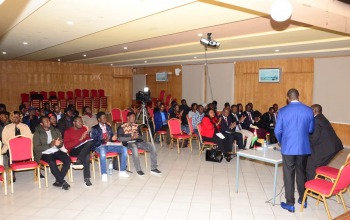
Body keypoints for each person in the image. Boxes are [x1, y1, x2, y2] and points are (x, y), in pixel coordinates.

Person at [275, 88, 315, 212]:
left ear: (288, 98)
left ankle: (290, 203)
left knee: (288, 174)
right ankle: (303, 200)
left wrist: (282, 142)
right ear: (298, 96)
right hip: (303, 147)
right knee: (302, 173)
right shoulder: (309, 110)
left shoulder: (282, 111)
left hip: (288, 148)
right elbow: (311, 130)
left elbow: (277, 131)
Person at [306, 104, 343, 181]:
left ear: (313, 111)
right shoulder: (321, 117)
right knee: (319, 166)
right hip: (333, 146)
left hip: (327, 147)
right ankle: (320, 184)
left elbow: (314, 138)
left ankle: (314, 190)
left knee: (311, 165)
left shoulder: (316, 120)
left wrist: (305, 147)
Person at [117, 112, 161, 176]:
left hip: (138, 142)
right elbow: (119, 139)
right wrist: (131, 137)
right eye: (132, 117)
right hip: (129, 143)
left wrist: (137, 136)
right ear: (128, 117)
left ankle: (154, 168)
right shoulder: (122, 127)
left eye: (134, 117)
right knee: (134, 148)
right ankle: (138, 169)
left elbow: (140, 136)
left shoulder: (136, 126)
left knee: (152, 146)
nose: (134, 118)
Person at [33, 116, 71, 190]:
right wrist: (50, 145)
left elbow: (60, 144)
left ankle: (58, 181)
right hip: (45, 152)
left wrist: (59, 143)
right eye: (46, 121)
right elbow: (36, 148)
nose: (48, 122)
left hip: (55, 150)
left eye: (48, 121)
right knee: (51, 161)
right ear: (41, 123)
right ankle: (62, 182)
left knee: (68, 160)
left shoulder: (55, 130)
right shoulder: (37, 133)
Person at [91, 112, 129, 181]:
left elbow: (111, 138)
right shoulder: (94, 129)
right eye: (103, 117)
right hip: (100, 146)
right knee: (102, 151)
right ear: (99, 119)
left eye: (105, 117)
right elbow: (93, 142)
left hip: (109, 145)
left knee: (124, 149)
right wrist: (103, 141)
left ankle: (122, 171)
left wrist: (113, 138)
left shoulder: (108, 127)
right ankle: (104, 174)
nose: (105, 119)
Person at [1, 111, 33, 181]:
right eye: (14, 116)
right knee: (11, 153)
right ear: (11, 117)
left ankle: (37, 172)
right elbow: (4, 140)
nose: (16, 118)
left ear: (20, 117)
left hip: (24, 147)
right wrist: (13, 144)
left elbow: (30, 137)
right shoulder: (7, 127)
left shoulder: (25, 126)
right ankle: (12, 174)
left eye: (18, 116)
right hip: (11, 147)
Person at [64, 116, 93, 186]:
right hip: (73, 150)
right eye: (79, 122)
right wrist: (79, 139)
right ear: (74, 123)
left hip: (83, 150)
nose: (81, 123)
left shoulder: (83, 129)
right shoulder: (67, 131)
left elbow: (87, 141)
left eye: (81, 122)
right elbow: (67, 146)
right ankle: (86, 178)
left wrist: (85, 138)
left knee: (90, 144)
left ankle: (86, 178)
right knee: (87, 153)